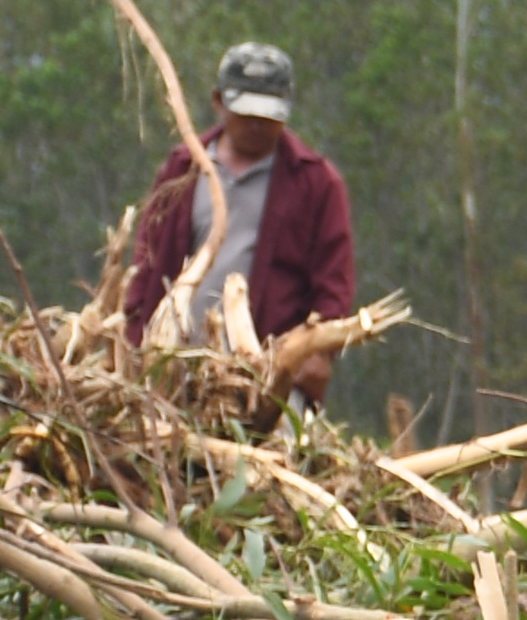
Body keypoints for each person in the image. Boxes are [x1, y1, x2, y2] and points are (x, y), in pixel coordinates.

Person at [121, 42, 357, 393]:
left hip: (266, 375)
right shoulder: (183, 168)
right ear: (219, 102)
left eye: (268, 117)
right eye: (247, 115)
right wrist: (132, 337)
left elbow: (333, 283)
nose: (257, 126)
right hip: (173, 367)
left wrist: (319, 353)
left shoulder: (315, 183)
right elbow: (148, 261)